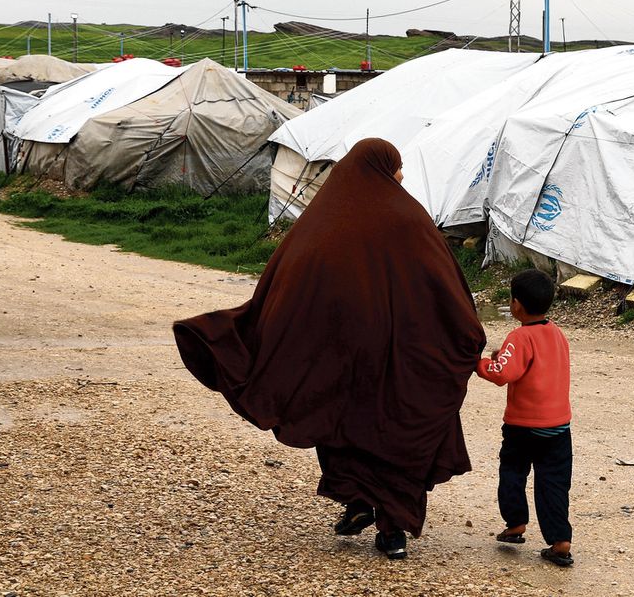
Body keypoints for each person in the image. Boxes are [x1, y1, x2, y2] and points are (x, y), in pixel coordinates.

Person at [173, 138, 486, 561]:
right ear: (382, 168)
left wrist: (275, 330)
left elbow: (286, 284)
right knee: (393, 429)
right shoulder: (408, 218)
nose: (402, 175)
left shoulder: (322, 219)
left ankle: (358, 500)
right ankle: (391, 529)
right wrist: (462, 335)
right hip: (397, 358)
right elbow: (445, 287)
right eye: (397, 167)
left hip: (339, 356)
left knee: (340, 420)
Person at [475, 269, 574, 567]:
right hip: (558, 427)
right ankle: (560, 541)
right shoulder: (556, 333)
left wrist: (479, 364)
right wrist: (503, 355)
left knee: (513, 474)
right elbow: (532, 366)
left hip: (523, 427)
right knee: (554, 483)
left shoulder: (519, 336)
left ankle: (516, 524)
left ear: (516, 305)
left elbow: (504, 373)